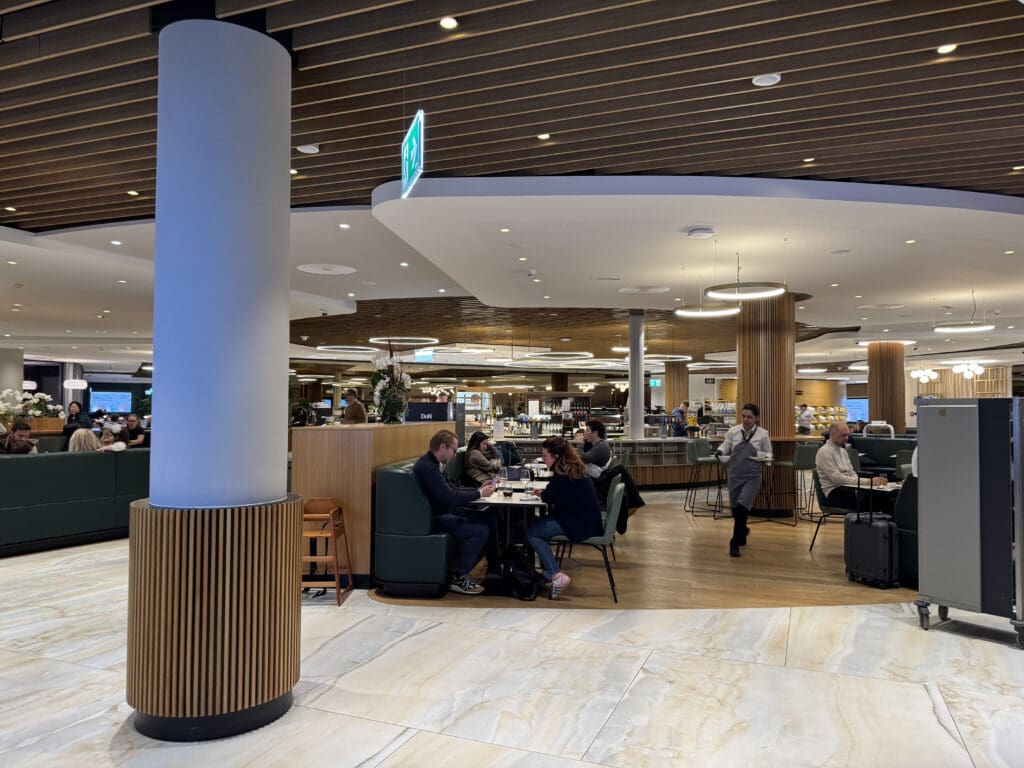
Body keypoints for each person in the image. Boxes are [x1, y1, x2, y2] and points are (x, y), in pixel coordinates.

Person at [412, 429, 498, 595]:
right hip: (435, 517)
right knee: (480, 529)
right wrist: (479, 494)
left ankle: (494, 569)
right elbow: (449, 497)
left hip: (445, 510)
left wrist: (478, 490)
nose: (454, 454)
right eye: (453, 449)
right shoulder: (427, 467)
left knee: (489, 519)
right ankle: (459, 576)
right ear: (443, 447)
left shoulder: (435, 464)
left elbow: (453, 489)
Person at [526, 436, 602, 599]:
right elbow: (554, 495)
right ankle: (548, 570)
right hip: (587, 518)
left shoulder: (561, 474)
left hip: (578, 523)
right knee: (536, 523)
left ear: (556, 456)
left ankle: (556, 576)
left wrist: (545, 493)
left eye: (545, 456)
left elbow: (548, 497)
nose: (543, 459)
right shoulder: (571, 468)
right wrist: (546, 493)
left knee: (533, 533)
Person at [716, 403, 772, 557]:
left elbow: (768, 452)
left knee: (742, 506)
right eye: (744, 416)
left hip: (752, 475)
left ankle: (734, 543)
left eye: (750, 417)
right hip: (735, 474)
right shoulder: (733, 431)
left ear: (757, 418)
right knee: (735, 508)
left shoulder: (763, 434)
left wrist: (765, 458)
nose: (746, 420)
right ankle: (743, 531)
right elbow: (725, 445)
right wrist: (720, 451)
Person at [815, 422, 886, 509]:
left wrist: (861, 486)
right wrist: (868, 482)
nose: (847, 438)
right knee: (878, 500)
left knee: (883, 496)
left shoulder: (843, 451)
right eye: (843, 435)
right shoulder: (824, 452)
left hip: (849, 490)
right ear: (832, 434)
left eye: (847, 435)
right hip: (835, 494)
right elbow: (837, 479)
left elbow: (852, 472)